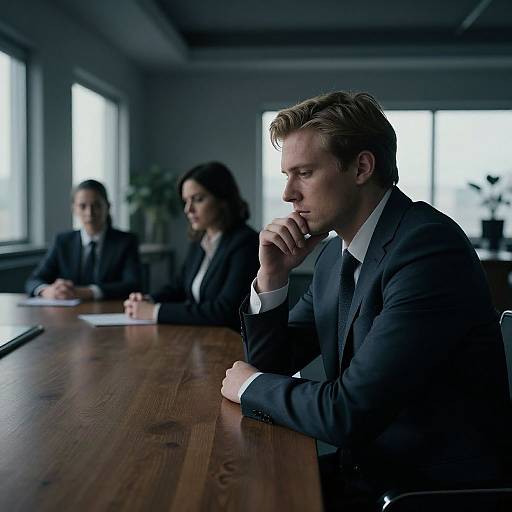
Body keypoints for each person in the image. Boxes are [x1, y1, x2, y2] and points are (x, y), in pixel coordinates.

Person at [220, 92, 512, 509]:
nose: (288, 194)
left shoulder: (427, 248)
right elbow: (273, 366)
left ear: (361, 167)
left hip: (426, 491)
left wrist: (248, 385)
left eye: (303, 173)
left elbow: (346, 412)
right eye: (287, 175)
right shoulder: (332, 258)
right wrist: (272, 276)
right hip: (367, 472)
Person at [124, 162, 259, 330]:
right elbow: (178, 288)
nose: (188, 209)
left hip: (230, 343)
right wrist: (148, 300)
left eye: (198, 199)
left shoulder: (246, 243)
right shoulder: (199, 242)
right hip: (200, 336)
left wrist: (154, 311)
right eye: (186, 201)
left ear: (222, 199)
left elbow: (225, 311)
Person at [26, 179, 142, 300]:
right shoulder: (62, 241)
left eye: (96, 205)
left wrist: (89, 292)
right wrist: (47, 291)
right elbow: (34, 280)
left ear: (107, 207)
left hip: (109, 311)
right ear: (74, 209)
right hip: (67, 313)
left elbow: (133, 285)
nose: (89, 212)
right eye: (82, 206)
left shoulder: (126, 242)